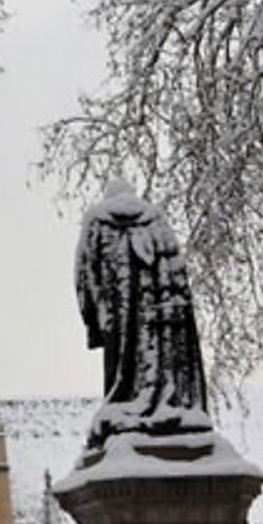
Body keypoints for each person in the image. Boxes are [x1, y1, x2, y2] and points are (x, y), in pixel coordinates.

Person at [76, 179, 209, 450]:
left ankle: (125, 402)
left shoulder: (96, 221)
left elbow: (83, 273)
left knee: (122, 369)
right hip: (159, 317)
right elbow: (176, 274)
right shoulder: (156, 221)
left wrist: (93, 318)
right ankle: (167, 401)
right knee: (156, 360)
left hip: (116, 313)